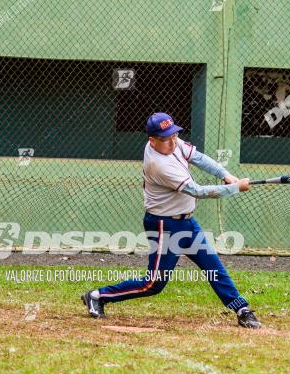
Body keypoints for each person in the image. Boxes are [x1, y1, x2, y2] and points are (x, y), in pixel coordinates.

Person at [82, 112, 261, 328]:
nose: (173, 141)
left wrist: (226, 174)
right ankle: (98, 296)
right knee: (153, 284)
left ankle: (241, 309)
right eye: (166, 138)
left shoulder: (171, 142)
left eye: (174, 135)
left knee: (213, 266)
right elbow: (197, 191)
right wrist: (235, 188)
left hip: (186, 222)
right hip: (164, 225)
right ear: (152, 141)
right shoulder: (159, 165)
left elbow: (199, 158)